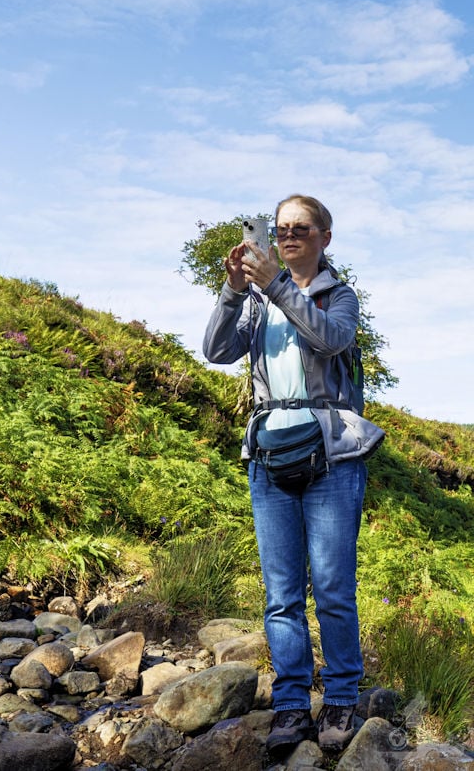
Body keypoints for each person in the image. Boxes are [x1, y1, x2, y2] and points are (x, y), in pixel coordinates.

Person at [203, 195, 384, 755]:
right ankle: (289, 704)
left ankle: (341, 696)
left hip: (332, 457)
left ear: (324, 237)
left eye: (300, 228)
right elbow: (215, 350)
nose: (287, 236)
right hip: (269, 454)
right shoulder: (257, 302)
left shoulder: (339, 296)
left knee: (332, 588)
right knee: (281, 593)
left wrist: (277, 285)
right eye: (280, 228)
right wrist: (235, 288)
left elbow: (331, 339)